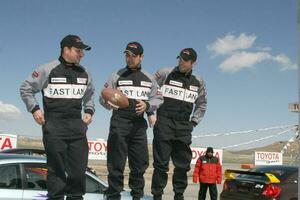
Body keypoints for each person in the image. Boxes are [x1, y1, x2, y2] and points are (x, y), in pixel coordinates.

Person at [20, 34, 95, 200]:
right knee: (56, 174)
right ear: (66, 49)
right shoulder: (47, 69)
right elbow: (25, 88)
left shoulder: (85, 73)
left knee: (78, 174)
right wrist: (35, 109)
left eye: (83, 51)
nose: (82, 54)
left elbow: (90, 95)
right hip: (54, 126)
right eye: (78, 50)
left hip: (77, 127)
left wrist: (89, 110)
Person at [99, 42, 163, 200]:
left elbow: (159, 98)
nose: (129, 58)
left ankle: (137, 196)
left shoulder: (149, 78)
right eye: (127, 55)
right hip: (119, 121)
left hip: (138, 125)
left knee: (139, 165)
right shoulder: (116, 75)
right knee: (116, 164)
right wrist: (107, 103)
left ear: (141, 57)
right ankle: (113, 196)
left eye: (133, 55)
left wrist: (148, 105)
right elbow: (103, 96)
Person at [151, 48, 207, 200]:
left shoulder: (199, 80)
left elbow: (202, 104)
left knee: (183, 165)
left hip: (184, 126)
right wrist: (152, 113)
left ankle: (179, 195)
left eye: (185, 59)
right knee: (161, 165)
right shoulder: (165, 72)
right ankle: (157, 196)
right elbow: (149, 90)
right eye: (180, 58)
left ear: (193, 62)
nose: (181, 61)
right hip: (164, 123)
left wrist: (194, 122)